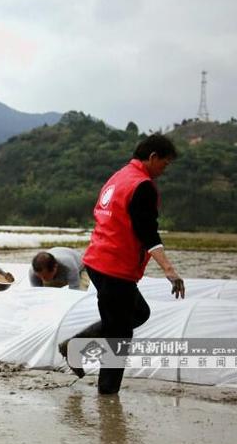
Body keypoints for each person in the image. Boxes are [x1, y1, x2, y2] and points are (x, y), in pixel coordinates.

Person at [60, 134, 185, 393]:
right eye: (165, 162)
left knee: (137, 314)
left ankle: (75, 345)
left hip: (98, 261)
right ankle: (107, 396)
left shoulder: (118, 177)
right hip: (115, 267)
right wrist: (169, 270)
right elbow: (147, 232)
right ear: (152, 157)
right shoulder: (143, 185)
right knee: (120, 335)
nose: (165, 168)